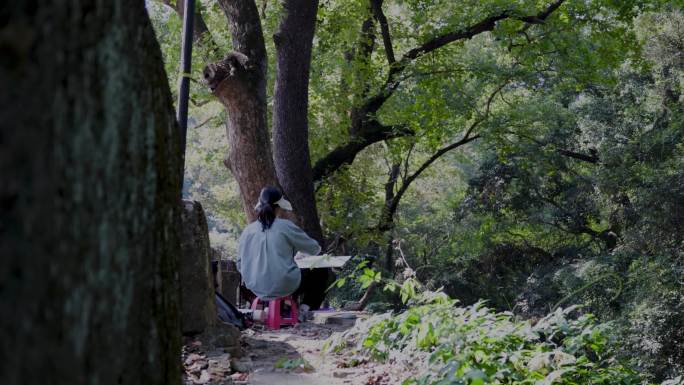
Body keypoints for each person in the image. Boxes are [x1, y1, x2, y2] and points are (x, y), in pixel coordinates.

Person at [237, 186, 321, 308]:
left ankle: (282, 308)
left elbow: (239, 263)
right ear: (279, 208)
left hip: (254, 286)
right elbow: (314, 249)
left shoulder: (247, 231)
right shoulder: (286, 226)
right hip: (284, 285)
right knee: (320, 271)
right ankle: (305, 308)